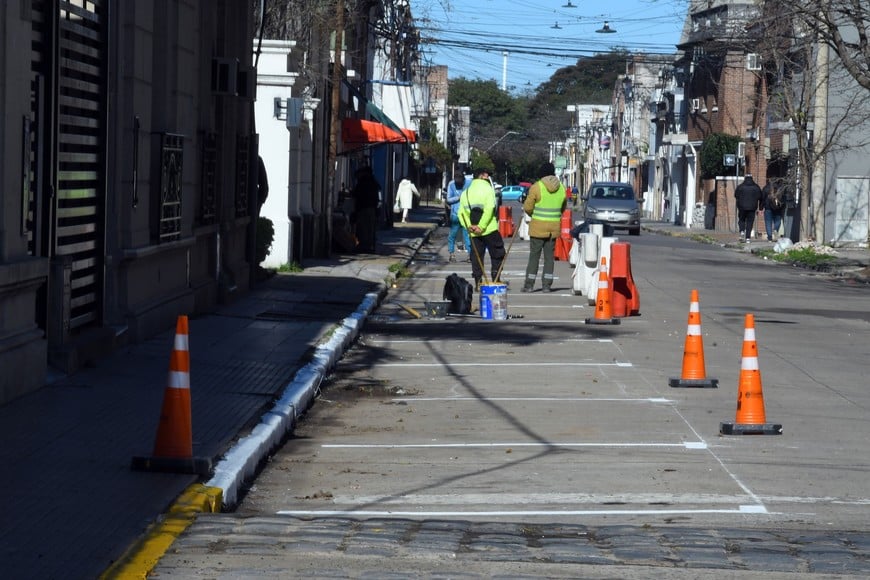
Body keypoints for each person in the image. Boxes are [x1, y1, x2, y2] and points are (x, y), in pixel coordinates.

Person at [521, 162, 567, 292]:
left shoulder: (537, 187)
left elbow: (527, 207)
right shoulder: (562, 188)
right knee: (549, 258)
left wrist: (533, 214)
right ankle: (547, 285)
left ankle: (529, 285)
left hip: (537, 228)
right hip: (553, 229)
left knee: (534, 256)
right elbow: (563, 208)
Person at [458, 168, 506, 290]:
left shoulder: (466, 192)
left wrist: (470, 226)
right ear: (482, 176)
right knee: (497, 253)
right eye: (487, 175)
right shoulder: (488, 189)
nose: (489, 178)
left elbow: (461, 213)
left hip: (474, 232)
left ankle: (478, 281)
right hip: (489, 229)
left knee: (477, 257)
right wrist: (482, 226)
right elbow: (490, 208)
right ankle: (496, 277)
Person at [351, 166, 381, 253]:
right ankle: (369, 246)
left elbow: (357, 194)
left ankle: (364, 246)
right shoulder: (374, 182)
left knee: (363, 228)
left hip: (363, 208)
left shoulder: (362, 182)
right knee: (370, 228)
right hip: (372, 208)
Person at [445, 171, 471, 262]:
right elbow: (448, 199)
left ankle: (469, 255)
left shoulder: (469, 183)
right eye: (456, 182)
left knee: (467, 235)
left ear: (463, 180)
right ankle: (452, 254)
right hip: (455, 214)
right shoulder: (451, 184)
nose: (458, 184)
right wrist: (459, 198)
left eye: (460, 182)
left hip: (466, 214)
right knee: (452, 235)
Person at [734, 174, 763, 242]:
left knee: (741, 220)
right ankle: (748, 238)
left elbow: (736, 195)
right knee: (750, 222)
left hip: (742, 207)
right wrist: (761, 207)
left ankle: (742, 231)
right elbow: (761, 197)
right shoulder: (756, 187)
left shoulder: (740, 187)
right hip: (752, 208)